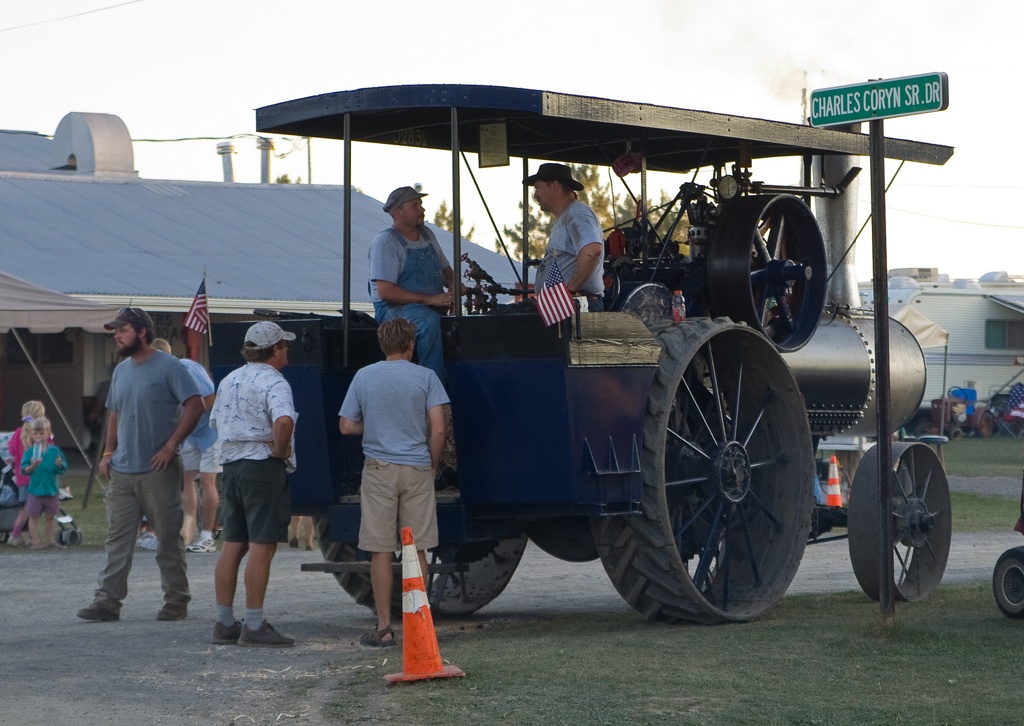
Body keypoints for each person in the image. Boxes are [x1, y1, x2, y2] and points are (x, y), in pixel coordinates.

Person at [76, 307, 203, 623]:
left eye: (122, 330)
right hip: (123, 471)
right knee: (117, 540)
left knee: (167, 538)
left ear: (142, 332)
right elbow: (114, 414)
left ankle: (176, 600)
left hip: (158, 470)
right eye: (115, 331)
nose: (116, 336)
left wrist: (171, 446)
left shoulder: (169, 367)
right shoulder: (121, 370)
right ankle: (107, 601)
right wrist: (107, 453)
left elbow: (195, 405)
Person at [338, 318, 448, 647]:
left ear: (382, 344)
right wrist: (432, 463)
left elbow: (346, 426)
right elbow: (439, 428)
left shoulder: (364, 376)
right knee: (418, 549)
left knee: (380, 550)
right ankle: (418, 623)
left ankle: (384, 626)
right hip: (416, 468)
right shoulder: (426, 377)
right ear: (411, 345)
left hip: (378, 469)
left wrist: (373, 427)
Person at [210, 321, 297, 647]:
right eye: (284, 346)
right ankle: (255, 623)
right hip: (261, 465)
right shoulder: (274, 381)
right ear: (275, 350)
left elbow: (217, 421)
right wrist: (280, 448)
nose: (287, 350)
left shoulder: (230, 379)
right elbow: (284, 419)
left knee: (234, 542)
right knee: (263, 544)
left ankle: (224, 622)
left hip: (230, 465)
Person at [368, 185, 456, 383]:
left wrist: (454, 287)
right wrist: (431, 299)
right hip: (394, 310)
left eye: (421, 205)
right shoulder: (386, 242)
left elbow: (446, 273)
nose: (421, 210)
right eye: (415, 205)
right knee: (429, 324)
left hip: (430, 306)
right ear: (397, 211)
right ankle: (432, 389)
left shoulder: (427, 235)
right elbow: (386, 292)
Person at [151, 339, 221, 554]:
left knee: (208, 481)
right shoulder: (158, 376)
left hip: (211, 430)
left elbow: (211, 396)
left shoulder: (187, 368)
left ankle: (208, 536)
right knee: (186, 479)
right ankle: (188, 531)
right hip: (188, 433)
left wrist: (192, 413)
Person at [524, 163, 606, 311]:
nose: (536, 195)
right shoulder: (568, 216)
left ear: (554, 185)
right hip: (563, 306)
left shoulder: (577, 214)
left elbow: (593, 250)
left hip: (578, 306)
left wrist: (569, 292)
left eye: (538, 188)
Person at [20, 417, 67, 549]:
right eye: (35, 433)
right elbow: (23, 470)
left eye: (41, 433)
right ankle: (35, 541)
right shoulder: (29, 452)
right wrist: (33, 466)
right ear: (31, 435)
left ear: (48, 434)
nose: (38, 436)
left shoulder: (54, 451)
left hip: (51, 489)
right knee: (33, 516)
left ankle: (50, 540)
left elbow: (63, 467)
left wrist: (59, 464)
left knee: (50, 516)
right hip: (35, 490)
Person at [5, 400, 47, 547]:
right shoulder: (43, 435)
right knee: (36, 509)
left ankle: (17, 535)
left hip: (23, 479)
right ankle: (24, 536)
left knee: (26, 509)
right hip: (39, 479)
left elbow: (12, 452)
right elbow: (50, 452)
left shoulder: (18, 433)